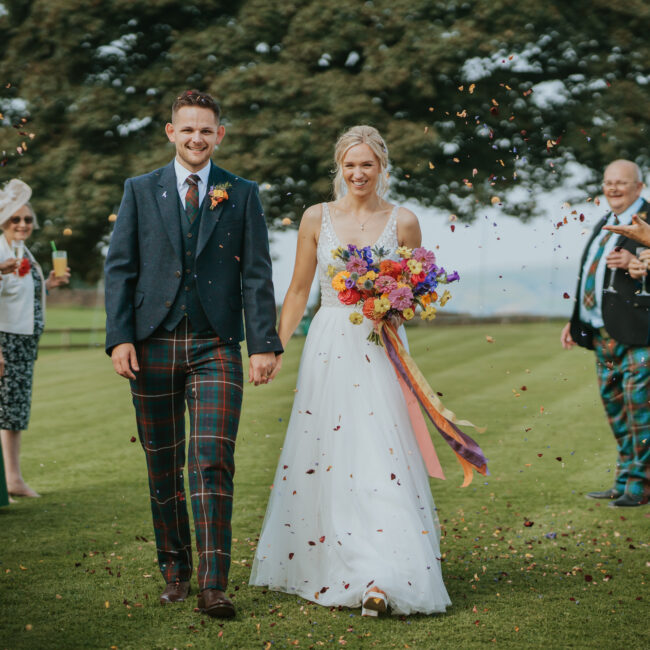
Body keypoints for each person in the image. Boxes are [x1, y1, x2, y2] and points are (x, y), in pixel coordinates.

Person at [249, 125, 451, 616]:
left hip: (380, 345)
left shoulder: (402, 220)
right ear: (339, 168)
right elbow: (299, 289)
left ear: (382, 167)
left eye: (367, 164)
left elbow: (416, 288)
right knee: (331, 450)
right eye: (350, 165)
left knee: (380, 451)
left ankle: (382, 574)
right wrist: (272, 345)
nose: (358, 173)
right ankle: (333, 559)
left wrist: (392, 304)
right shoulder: (316, 217)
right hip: (330, 342)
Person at [104, 90, 282, 618]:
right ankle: (175, 571)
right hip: (152, 342)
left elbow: (256, 273)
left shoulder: (241, 192)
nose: (197, 138)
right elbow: (120, 268)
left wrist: (263, 344)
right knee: (163, 465)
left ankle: (212, 584)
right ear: (170, 132)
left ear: (220, 134)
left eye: (206, 130)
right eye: (187, 130)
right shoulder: (140, 190)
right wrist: (120, 337)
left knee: (210, 460)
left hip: (217, 344)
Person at [561, 159, 650, 507]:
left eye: (621, 183)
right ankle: (626, 479)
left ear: (639, 187)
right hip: (601, 332)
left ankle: (641, 486)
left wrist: (636, 265)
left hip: (641, 332)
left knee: (640, 409)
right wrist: (578, 319)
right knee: (616, 410)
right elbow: (590, 274)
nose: (613, 188)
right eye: (608, 182)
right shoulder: (607, 222)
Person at [0, 179, 71, 498]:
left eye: (27, 219)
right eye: (15, 219)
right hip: (6, 343)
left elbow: (19, 296)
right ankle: (10, 480)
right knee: (8, 412)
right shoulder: (2, 252)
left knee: (14, 413)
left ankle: (13, 479)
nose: (23, 224)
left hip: (24, 343)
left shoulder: (21, 250)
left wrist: (48, 286)